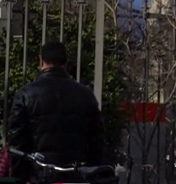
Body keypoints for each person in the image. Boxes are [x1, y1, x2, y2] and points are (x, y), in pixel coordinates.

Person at [6, 40, 107, 174]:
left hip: (39, 172)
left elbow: (17, 139)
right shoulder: (85, 95)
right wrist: (92, 171)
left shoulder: (25, 94)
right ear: (65, 62)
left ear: (41, 61)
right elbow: (97, 139)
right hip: (76, 172)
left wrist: (20, 176)